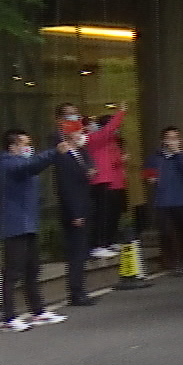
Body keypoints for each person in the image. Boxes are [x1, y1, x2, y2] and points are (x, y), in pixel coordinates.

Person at [0, 128, 74, 331]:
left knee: (32, 269)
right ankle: (9, 318)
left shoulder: (20, 163)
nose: (29, 148)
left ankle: (38, 311)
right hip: (14, 225)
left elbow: (32, 165)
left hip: (27, 223)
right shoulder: (8, 163)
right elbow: (31, 165)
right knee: (12, 272)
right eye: (24, 144)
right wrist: (54, 152)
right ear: (13, 147)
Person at [52, 115, 96, 307]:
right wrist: (75, 213)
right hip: (74, 210)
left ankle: (81, 289)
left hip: (84, 205)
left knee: (82, 251)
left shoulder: (79, 153)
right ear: (69, 135)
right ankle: (76, 292)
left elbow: (89, 168)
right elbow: (66, 187)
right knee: (76, 253)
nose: (82, 135)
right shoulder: (63, 157)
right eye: (78, 131)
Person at [146, 126, 183, 276]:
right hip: (162, 200)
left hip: (180, 199)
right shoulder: (156, 157)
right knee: (166, 232)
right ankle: (172, 261)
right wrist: (150, 178)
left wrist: (178, 153)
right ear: (163, 140)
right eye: (170, 138)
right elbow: (148, 172)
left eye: (176, 138)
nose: (172, 141)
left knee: (182, 231)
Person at [81, 104, 128, 256]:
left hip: (113, 182)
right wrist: (121, 112)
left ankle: (108, 241)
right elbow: (108, 129)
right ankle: (99, 244)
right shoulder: (94, 138)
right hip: (100, 181)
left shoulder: (111, 140)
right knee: (102, 214)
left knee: (112, 214)